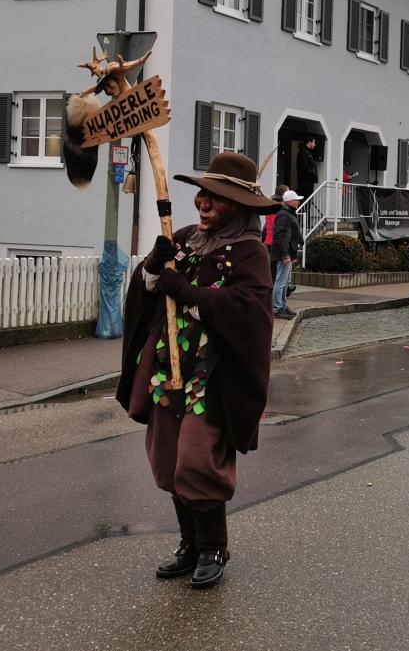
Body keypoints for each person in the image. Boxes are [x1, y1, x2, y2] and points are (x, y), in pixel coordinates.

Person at [117, 152, 276, 589]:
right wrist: (153, 266)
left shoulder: (251, 252)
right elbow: (147, 291)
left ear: (238, 207)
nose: (203, 203)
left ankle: (213, 547)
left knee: (196, 460)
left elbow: (247, 312)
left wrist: (186, 291)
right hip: (169, 368)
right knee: (168, 459)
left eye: (216, 198)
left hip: (213, 376)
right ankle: (189, 544)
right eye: (203, 194)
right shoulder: (183, 237)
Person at [271, 189, 303, 319]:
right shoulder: (284, 215)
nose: (298, 202)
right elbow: (279, 236)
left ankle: (282, 306)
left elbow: (290, 236)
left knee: (284, 282)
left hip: (287, 253)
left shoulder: (288, 214)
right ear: (290, 201)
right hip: (283, 254)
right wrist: (285, 255)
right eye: (296, 200)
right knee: (280, 282)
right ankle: (277, 308)